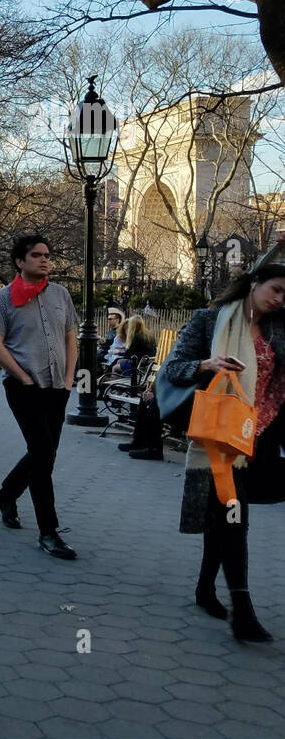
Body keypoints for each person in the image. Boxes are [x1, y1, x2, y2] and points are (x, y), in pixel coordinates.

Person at [161, 262, 285, 641]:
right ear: (254, 283)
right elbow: (173, 369)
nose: (280, 299)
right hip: (220, 439)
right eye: (276, 289)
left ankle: (204, 589)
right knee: (235, 518)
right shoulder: (209, 320)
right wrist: (207, 363)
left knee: (224, 519)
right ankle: (242, 612)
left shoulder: (279, 328)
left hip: (262, 439)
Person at [0, 234, 79, 560]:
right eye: (36, 255)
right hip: (24, 388)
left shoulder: (61, 295)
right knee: (41, 454)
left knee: (45, 453)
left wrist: (68, 381)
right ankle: (48, 532)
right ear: (20, 261)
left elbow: (71, 338)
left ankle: (6, 495)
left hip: (57, 387)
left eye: (47, 254)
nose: (44, 259)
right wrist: (22, 376)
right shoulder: (2, 300)